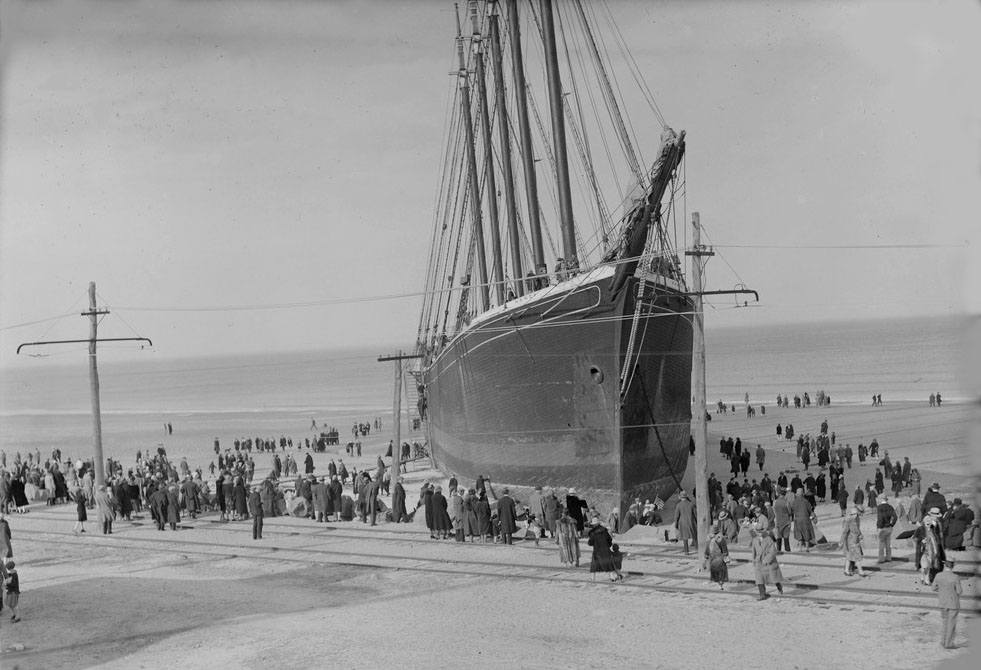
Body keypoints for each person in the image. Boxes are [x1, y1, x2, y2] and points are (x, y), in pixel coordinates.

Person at [750, 519, 784, 600]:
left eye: (760, 532)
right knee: (759, 579)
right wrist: (754, 561)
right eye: (757, 532)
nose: (759, 534)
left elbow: (773, 551)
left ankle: (779, 587)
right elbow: (753, 551)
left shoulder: (769, 539)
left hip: (768, 562)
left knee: (774, 577)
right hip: (759, 562)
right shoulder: (754, 540)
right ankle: (762, 594)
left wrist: (767, 560)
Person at [932, 559, 962, 649]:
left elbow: (933, 588)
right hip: (953, 603)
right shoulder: (955, 577)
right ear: (952, 566)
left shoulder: (938, 575)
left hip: (942, 602)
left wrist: (942, 591)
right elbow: (959, 591)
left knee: (944, 622)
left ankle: (943, 641)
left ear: (945, 565)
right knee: (951, 623)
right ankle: (949, 644)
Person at [587, 516, 623, 581]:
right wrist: (608, 546)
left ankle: (592, 577)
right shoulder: (604, 531)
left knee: (594, 565)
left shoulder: (593, 533)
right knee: (609, 564)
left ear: (594, 525)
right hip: (606, 550)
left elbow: (590, 543)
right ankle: (612, 576)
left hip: (597, 551)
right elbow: (609, 539)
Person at [703, 523, 730, 590]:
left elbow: (724, 549)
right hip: (714, 558)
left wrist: (725, 557)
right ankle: (719, 583)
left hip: (719, 557)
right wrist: (706, 556)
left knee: (719, 572)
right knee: (717, 572)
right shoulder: (711, 539)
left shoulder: (720, 539)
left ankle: (720, 584)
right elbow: (707, 549)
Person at [841, 507, 867, 576]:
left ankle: (846, 570)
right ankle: (860, 571)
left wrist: (860, 534)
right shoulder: (848, 520)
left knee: (849, 556)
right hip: (851, 540)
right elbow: (845, 532)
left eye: (856, 514)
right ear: (851, 514)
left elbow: (857, 528)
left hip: (855, 540)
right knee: (857, 556)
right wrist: (841, 541)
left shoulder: (856, 519)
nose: (855, 515)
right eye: (854, 514)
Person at [876, 497, 897, 563]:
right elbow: (895, 517)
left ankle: (881, 558)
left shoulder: (879, 507)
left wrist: (879, 526)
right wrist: (892, 524)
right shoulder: (890, 507)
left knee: (881, 543)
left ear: (881, 499)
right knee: (888, 543)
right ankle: (889, 557)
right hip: (889, 527)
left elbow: (880, 518)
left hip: (882, 527)